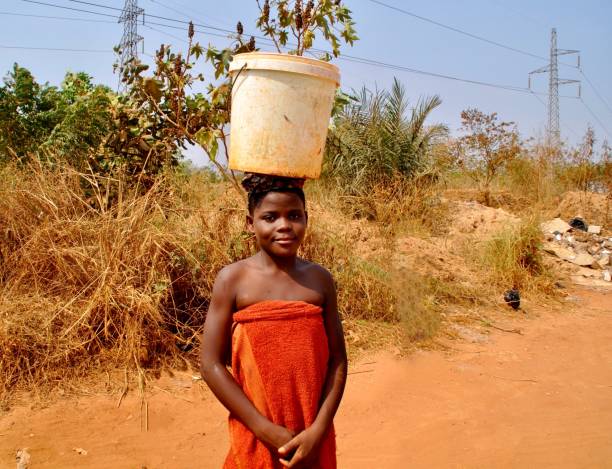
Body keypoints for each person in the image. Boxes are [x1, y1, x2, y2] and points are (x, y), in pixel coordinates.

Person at [200, 173, 348, 469]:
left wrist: (318, 429)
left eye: (294, 215)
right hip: (257, 426)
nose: (284, 225)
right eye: (270, 217)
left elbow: (338, 360)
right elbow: (210, 364)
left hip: (311, 429)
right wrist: (262, 428)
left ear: (307, 219)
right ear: (249, 223)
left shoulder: (320, 280)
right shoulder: (233, 279)